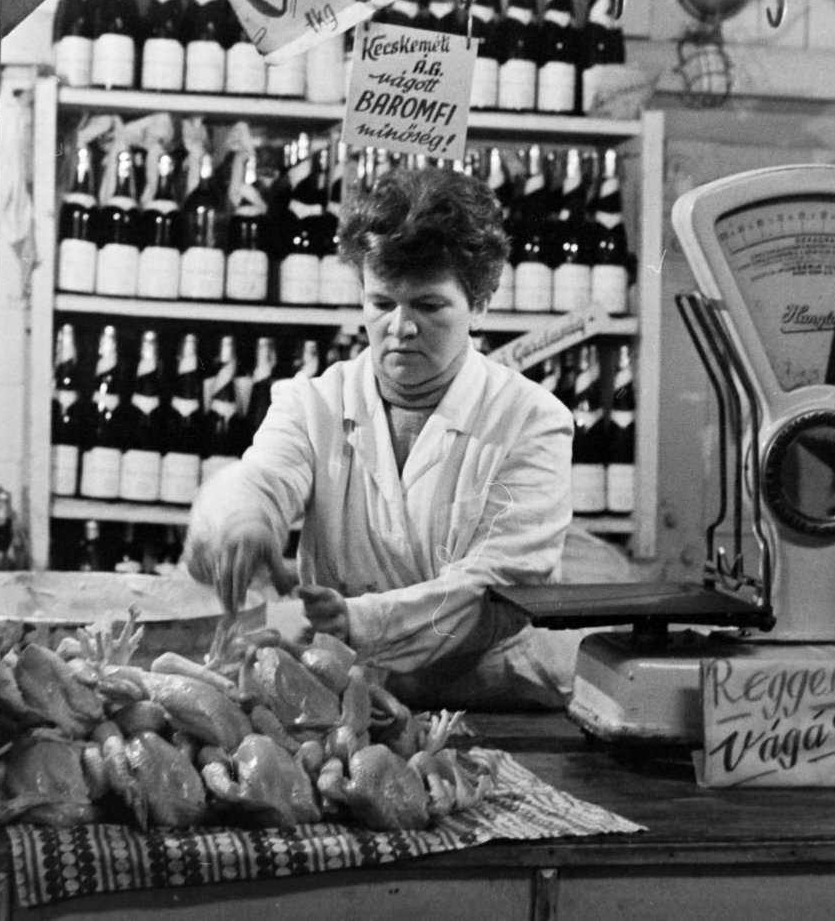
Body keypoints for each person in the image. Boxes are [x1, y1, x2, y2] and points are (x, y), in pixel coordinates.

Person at [184, 164, 574, 707]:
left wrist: (361, 621)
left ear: (480, 304)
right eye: (382, 303)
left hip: (486, 698)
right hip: (337, 689)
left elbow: (502, 583)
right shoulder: (313, 403)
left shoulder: (530, 420)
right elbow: (261, 477)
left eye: (429, 305)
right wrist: (243, 520)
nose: (400, 328)